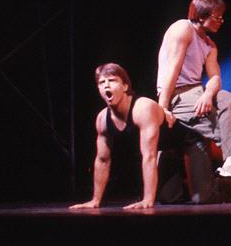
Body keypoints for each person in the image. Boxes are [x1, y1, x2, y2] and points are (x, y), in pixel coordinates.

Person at [157, 0, 231, 203]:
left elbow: (215, 77)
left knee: (203, 197)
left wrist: (209, 93)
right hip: (175, 94)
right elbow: (172, 70)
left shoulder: (210, 45)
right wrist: (162, 108)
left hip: (196, 93)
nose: (221, 21)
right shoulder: (183, 29)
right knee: (230, 109)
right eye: (217, 17)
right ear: (201, 16)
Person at [70, 63, 164, 209]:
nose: (106, 86)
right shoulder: (102, 119)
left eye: (112, 80)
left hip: (184, 145)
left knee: (202, 197)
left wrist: (148, 199)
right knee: (170, 197)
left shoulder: (143, 108)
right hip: (163, 155)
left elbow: (149, 156)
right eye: (102, 82)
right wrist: (95, 200)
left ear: (125, 87)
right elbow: (102, 160)